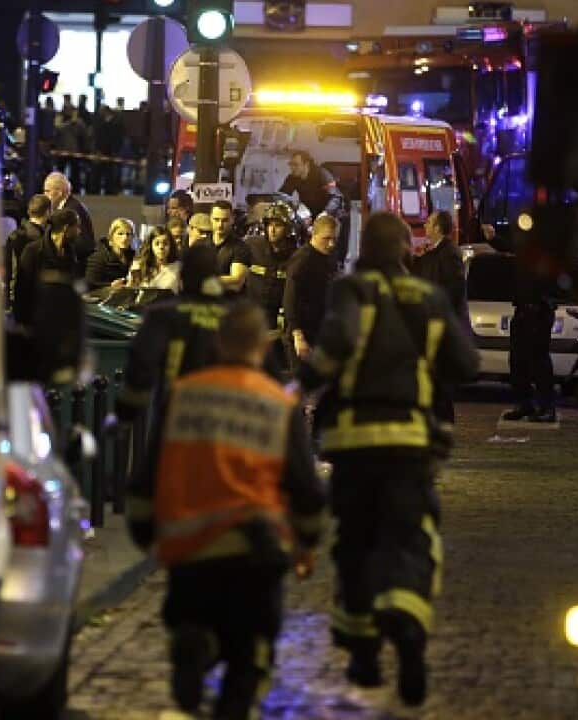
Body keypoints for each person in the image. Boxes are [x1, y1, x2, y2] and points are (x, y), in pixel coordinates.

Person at [298, 212, 479, 707]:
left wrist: (296, 383)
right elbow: (466, 365)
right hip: (411, 447)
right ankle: (409, 629)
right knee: (409, 537)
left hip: (356, 446)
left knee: (355, 543)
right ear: (403, 249)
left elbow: (331, 355)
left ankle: (363, 652)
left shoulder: (353, 291)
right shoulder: (429, 298)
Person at [126, 301, 326, 720]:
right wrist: (307, 541)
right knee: (249, 655)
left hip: (189, 548)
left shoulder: (184, 393)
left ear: (219, 342)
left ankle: (192, 644)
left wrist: (145, 529)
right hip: (253, 549)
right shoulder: (277, 403)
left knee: (188, 614)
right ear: (260, 346)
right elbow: (305, 488)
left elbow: (149, 470)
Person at [116, 245, 228, 422]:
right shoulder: (239, 318)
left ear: (182, 277)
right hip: (227, 423)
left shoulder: (163, 315)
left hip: (176, 421)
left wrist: (125, 414)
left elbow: (142, 365)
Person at [409, 210, 475, 432]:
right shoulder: (435, 253)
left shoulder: (449, 253)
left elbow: (454, 287)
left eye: (429, 222)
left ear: (438, 228)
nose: (425, 225)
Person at [8, 208, 84, 385]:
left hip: (59, 329)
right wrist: (24, 325)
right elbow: (22, 290)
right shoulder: (33, 251)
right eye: (77, 227)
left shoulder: (70, 253)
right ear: (66, 228)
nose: (79, 231)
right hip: (34, 326)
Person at [502, 248, 558, 423]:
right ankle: (524, 404)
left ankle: (546, 407)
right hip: (522, 310)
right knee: (517, 360)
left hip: (539, 311)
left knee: (539, 361)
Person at [245, 203, 299, 370]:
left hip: (279, 323)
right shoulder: (252, 246)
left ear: (288, 228)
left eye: (278, 225)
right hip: (252, 316)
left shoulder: (296, 255)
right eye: (269, 225)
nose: (272, 230)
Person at [283, 213, 340, 364]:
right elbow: (290, 298)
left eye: (334, 239)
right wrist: (298, 336)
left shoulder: (330, 257)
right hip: (303, 334)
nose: (331, 244)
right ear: (313, 235)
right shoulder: (302, 259)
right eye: (326, 239)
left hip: (321, 333)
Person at [4, 194, 51, 315]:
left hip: (17, 297)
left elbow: (9, 270)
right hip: (32, 299)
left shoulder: (15, 235)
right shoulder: (42, 239)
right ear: (47, 212)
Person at [43, 171, 96, 275]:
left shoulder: (73, 209)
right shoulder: (69, 206)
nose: (45, 195)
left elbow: (83, 243)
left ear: (60, 192)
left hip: (76, 270)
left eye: (47, 191)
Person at [210, 200, 249, 296]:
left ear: (232, 219)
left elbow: (236, 282)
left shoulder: (240, 247)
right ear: (210, 218)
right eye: (216, 219)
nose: (220, 224)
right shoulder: (201, 244)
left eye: (224, 220)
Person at [86, 218, 136, 289]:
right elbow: (90, 283)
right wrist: (110, 285)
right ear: (112, 235)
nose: (125, 238)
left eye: (128, 234)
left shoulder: (133, 256)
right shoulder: (99, 257)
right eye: (120, 234)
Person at [128, 226, 181, 291]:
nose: (161, 247)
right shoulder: (139, 265)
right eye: (157, 244)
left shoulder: (178, 267)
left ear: (171, 246)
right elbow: (130, 290)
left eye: (165, 243)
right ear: (150, 246)